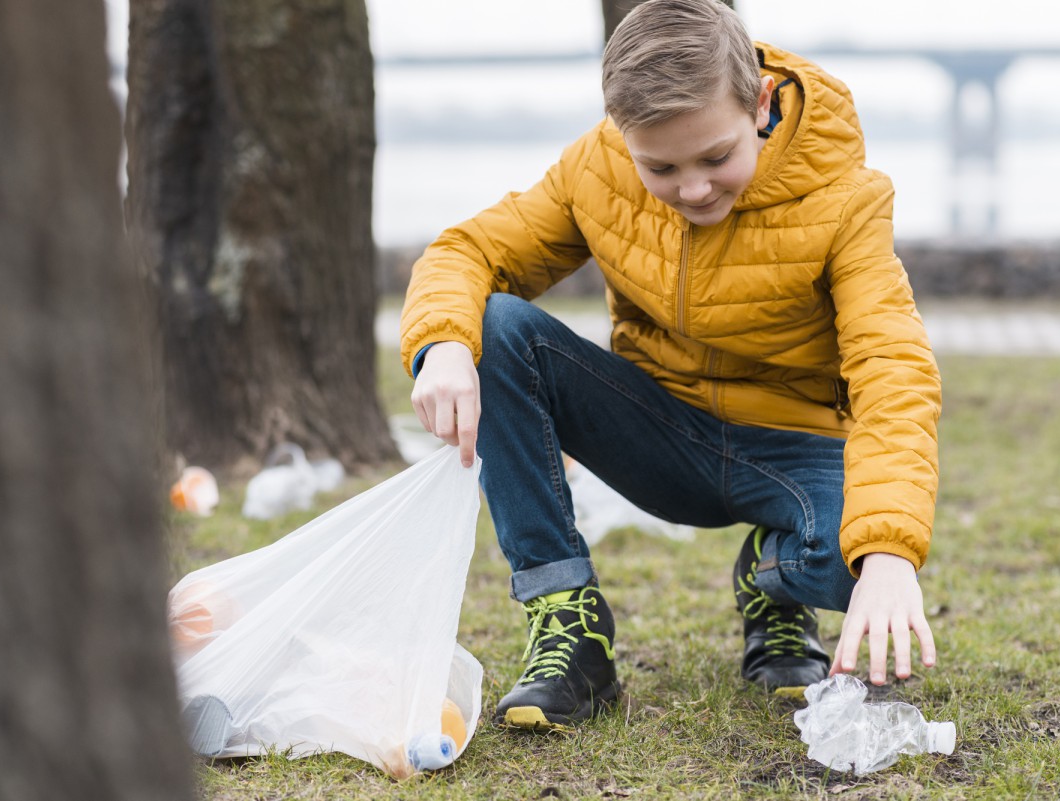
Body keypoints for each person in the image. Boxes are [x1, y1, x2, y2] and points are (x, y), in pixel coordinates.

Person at [399, 0, 941, 732]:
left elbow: (893, 366)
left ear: (757, 102)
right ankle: (570, 625)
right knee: (491, 325)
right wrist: (444, 345)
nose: (693, 189)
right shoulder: (596, 166)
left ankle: (770, 583)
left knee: (871, 554)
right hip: (662, 433)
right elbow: (469, 251)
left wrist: (887, 551)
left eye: (716, 157)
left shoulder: (848, 200)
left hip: (793, 453)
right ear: (624, 136)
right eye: (661, 166)